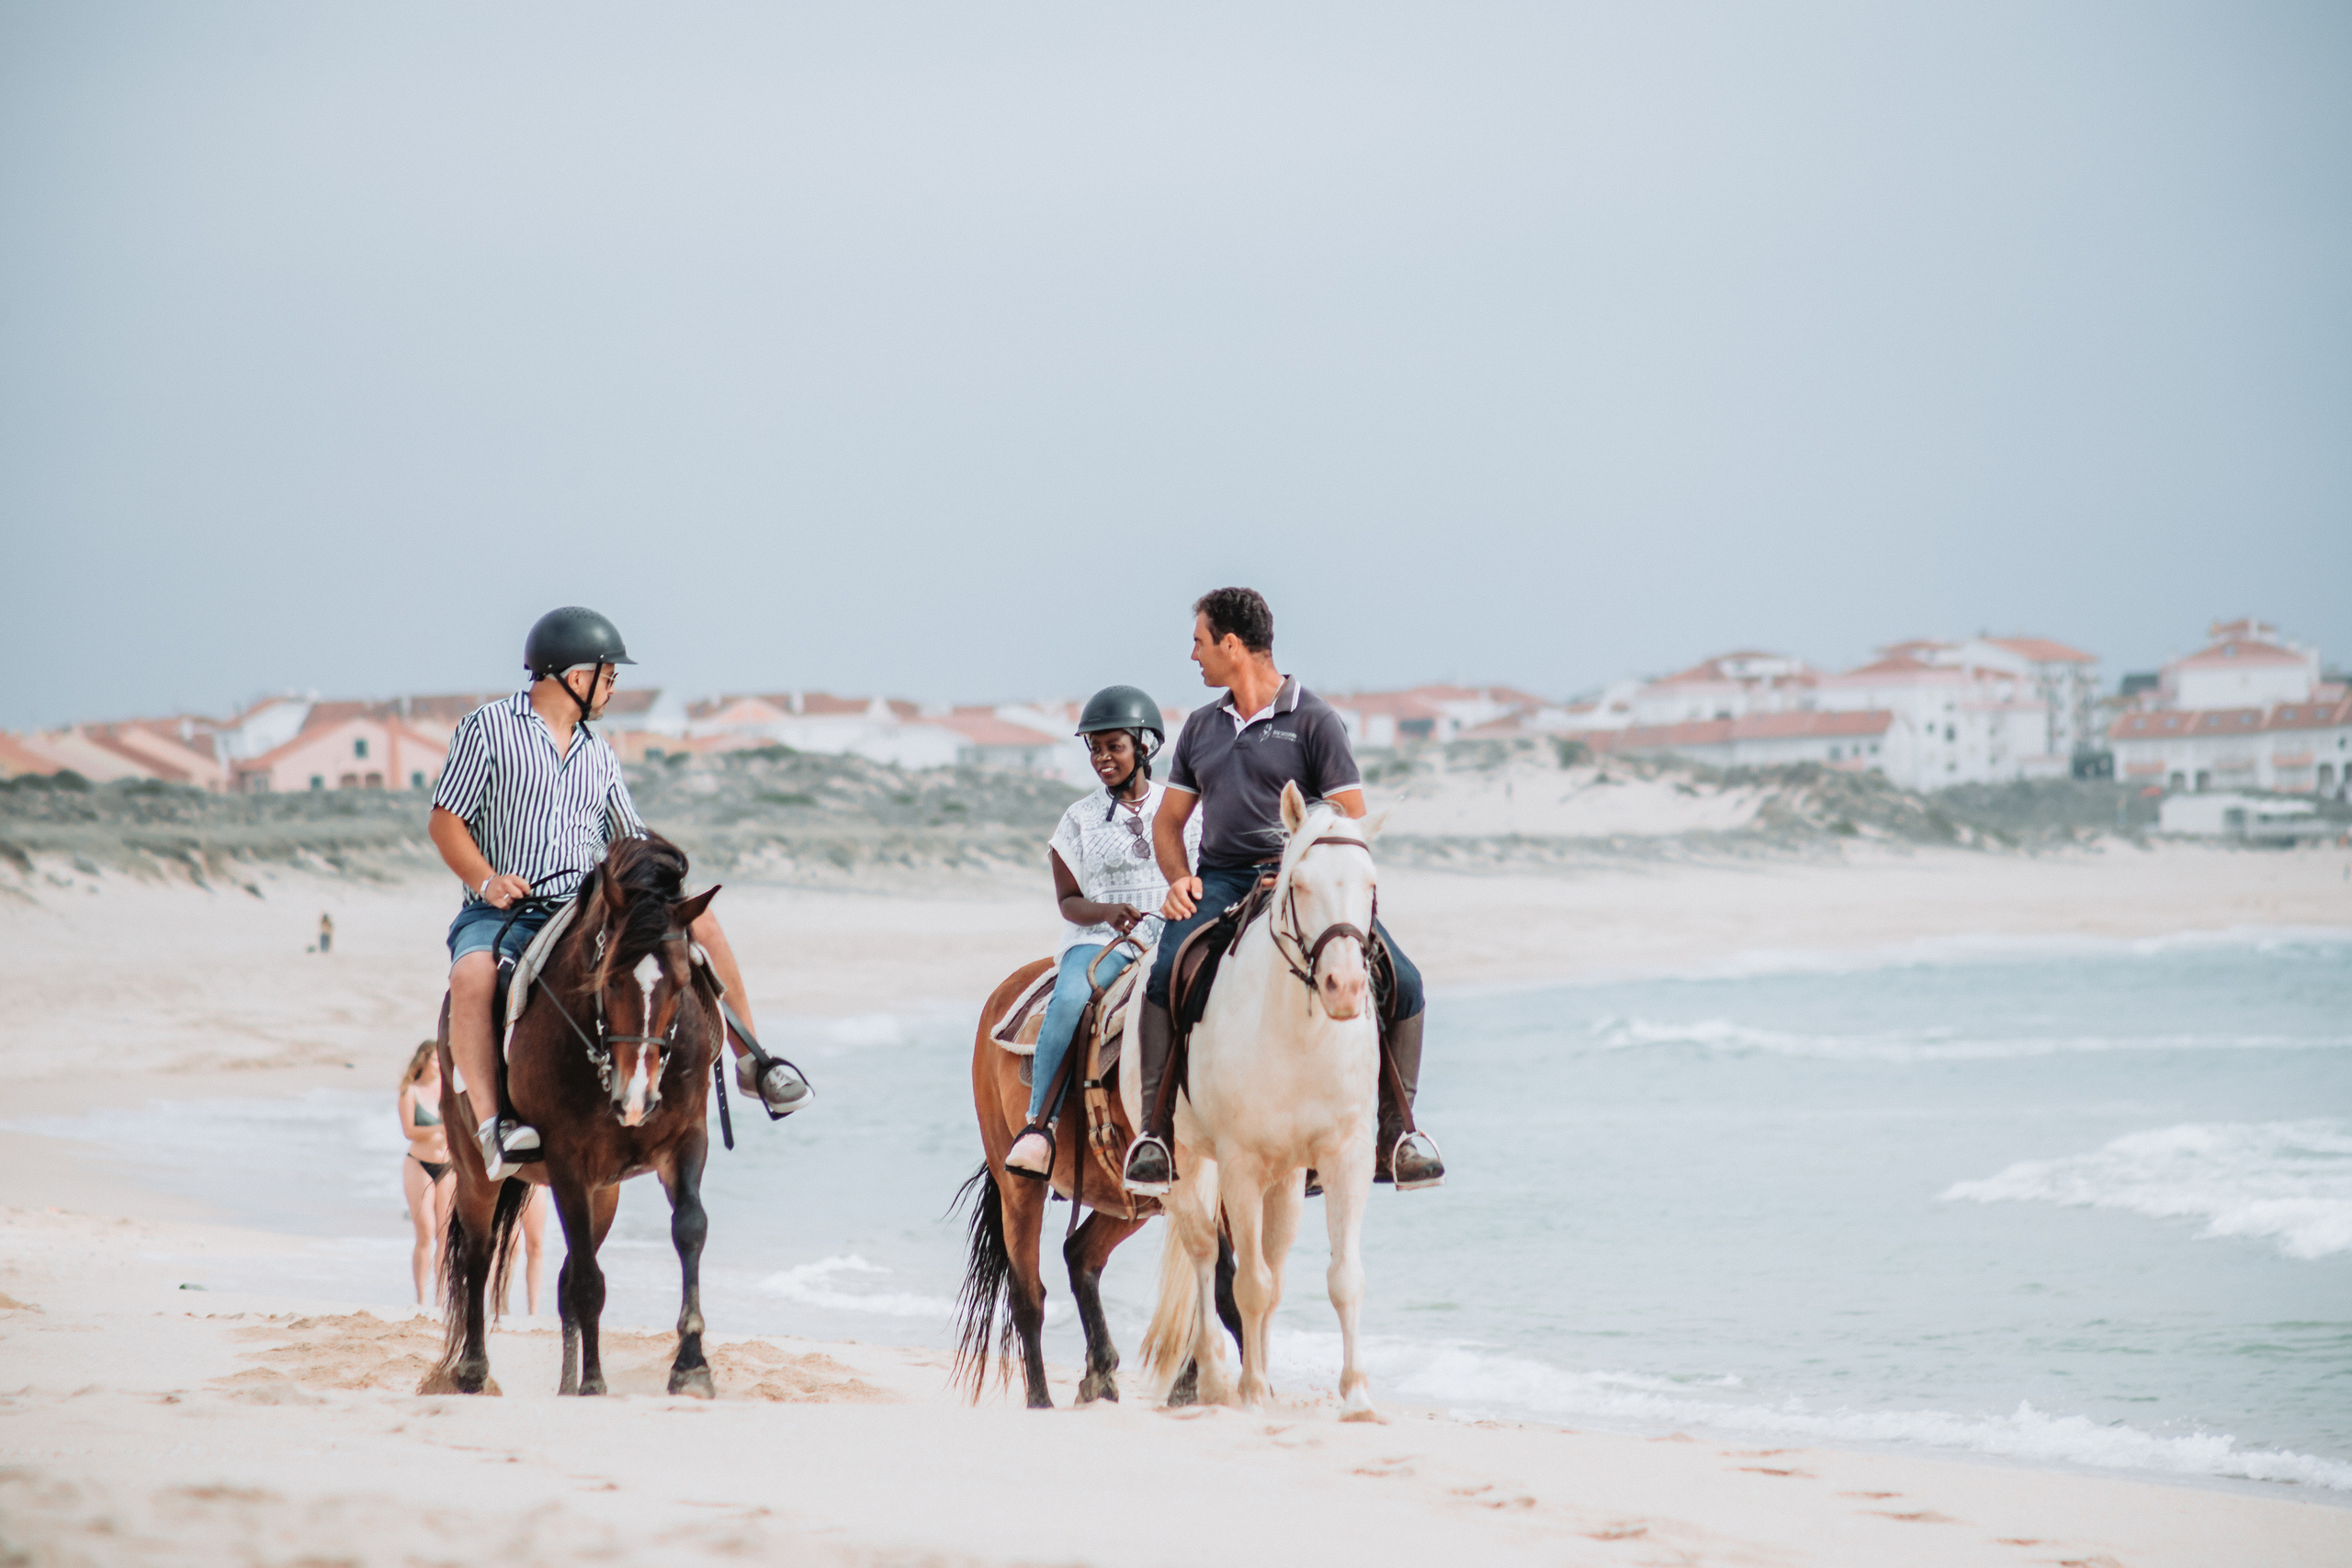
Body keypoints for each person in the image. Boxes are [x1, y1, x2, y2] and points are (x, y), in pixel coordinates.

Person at [427, 606, 809, 1179]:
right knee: (471, 976)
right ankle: (493, 1127)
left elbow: (628, 836)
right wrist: (486, 879)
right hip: (503, 909)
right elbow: (445, 822)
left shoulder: (599, 753)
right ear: (574, 676)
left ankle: (754, 1061)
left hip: (585, 905)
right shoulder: (486, 729)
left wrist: (661, 885)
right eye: (607, 676)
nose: (612, 687)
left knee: (698, 924)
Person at [1122, 587, 1444, 1195]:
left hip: (1303, 882)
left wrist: (1296, 866)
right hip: (1219, 880)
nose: (1193, 656)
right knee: (1165, 972)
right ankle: (1155, 1134)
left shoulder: (1315, 720)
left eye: (1199, 642)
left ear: (1232, 645)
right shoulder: (1199, 728)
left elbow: (1349, 819)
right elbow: (1167, 824)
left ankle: (1396, 1135)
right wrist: (1179, 878)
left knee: (1405, 980)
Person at [1004, 686, 1200, 1180]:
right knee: (1071, 999)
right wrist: (1108, 912)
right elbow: (1068, 903)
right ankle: (1038, 1127)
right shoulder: (1078, 819)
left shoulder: (1184, 810)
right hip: (1099, 941)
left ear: (1145, 747)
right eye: (1094, 747)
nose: (1102, 757)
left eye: (1113, 745)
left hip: (1176, 933)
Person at [398, 1040, 454, 1307]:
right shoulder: (409, 1091)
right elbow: (408, 1131)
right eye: (434, 1060)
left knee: (445, 1233)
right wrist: (440, 1128)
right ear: (423, 1060)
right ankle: (420, 1297)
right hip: (419, 1163)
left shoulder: (448, 1088)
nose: (439, 1065)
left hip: (448, 1165)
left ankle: (440, 1298)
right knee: (426, 1232)